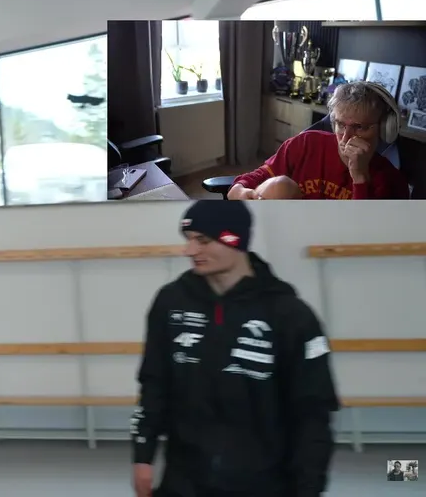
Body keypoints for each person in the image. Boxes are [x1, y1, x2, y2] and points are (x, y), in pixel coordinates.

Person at [131, 200, 340, 497]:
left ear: (235, 240)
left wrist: (309, 489)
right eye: (188, 239)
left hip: (264, 484)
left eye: (203, 240)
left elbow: (313, 414)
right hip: (184, 481)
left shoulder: (290, 315)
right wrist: (143, 454)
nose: (190, 250)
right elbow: (154, 383)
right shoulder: (171, 303)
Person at [228, 81, 410, 200]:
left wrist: (360, 177)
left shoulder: (391, 181)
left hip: (339, 244)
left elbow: (365, 234)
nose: (346, 137)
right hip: (291, 234)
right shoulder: (304, 145)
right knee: (279, 186)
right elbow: (260, 175)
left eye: (360, 127)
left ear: (384, 129)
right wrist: (240, 188)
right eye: (340, 125)